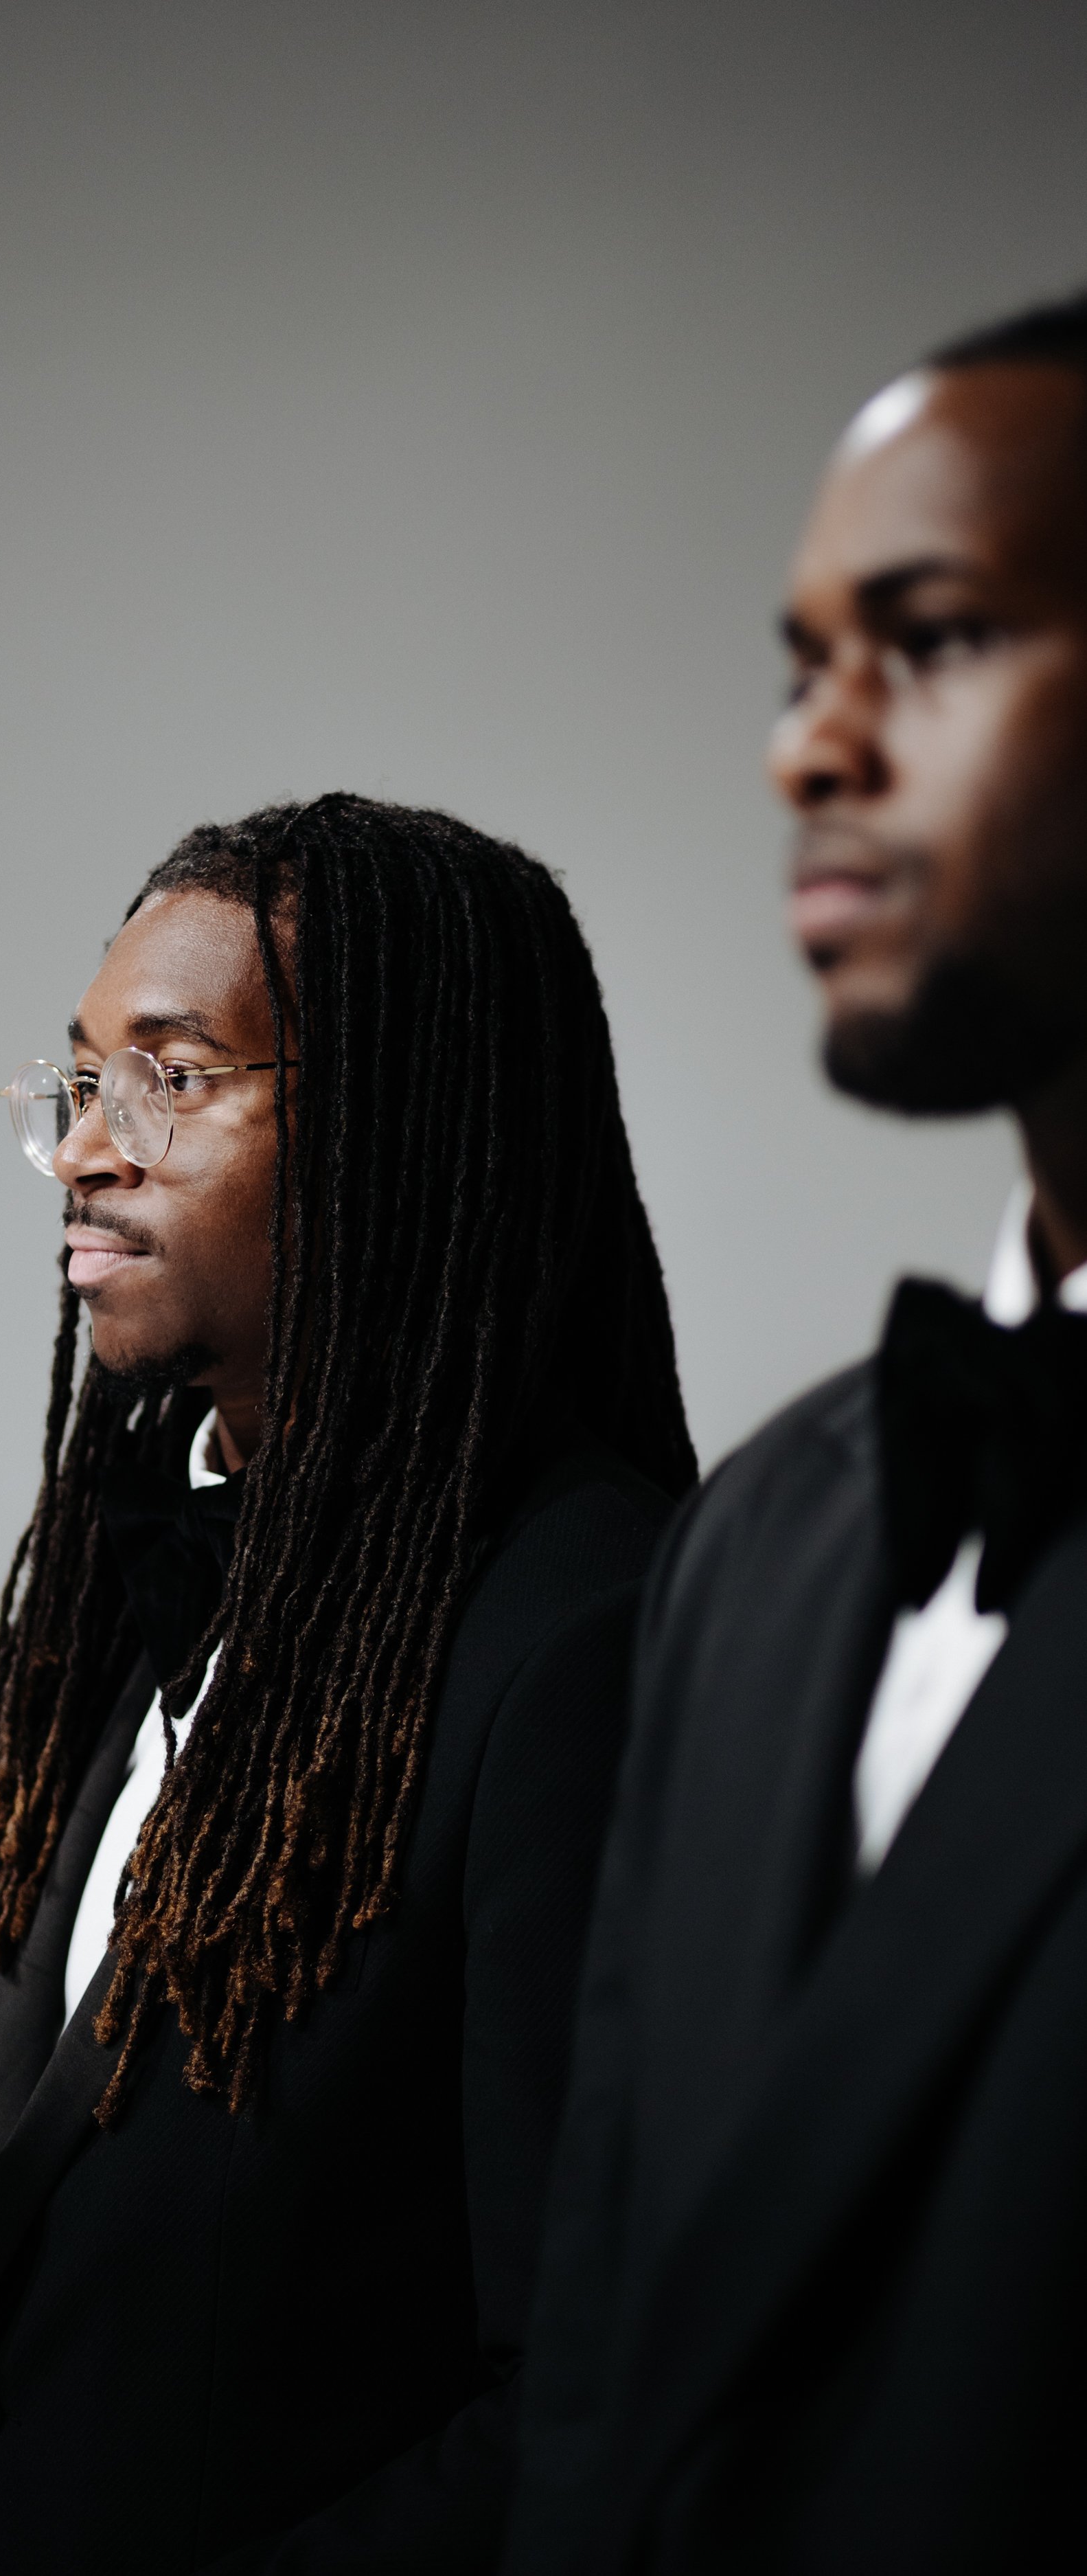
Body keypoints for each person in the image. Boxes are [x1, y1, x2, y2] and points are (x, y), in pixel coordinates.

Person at [0, 793, 696, 2573]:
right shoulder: (124, 1580)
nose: (85, 1150)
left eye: (168, 1078)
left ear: (398, 1129)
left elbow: (581, 2399)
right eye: (79, 1079)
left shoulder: (585, 1639)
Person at [509, 287, 1087, 2575]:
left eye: (927, 640)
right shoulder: (758, 1539)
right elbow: (597, 2368)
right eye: (797, 664)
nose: (805, 750)